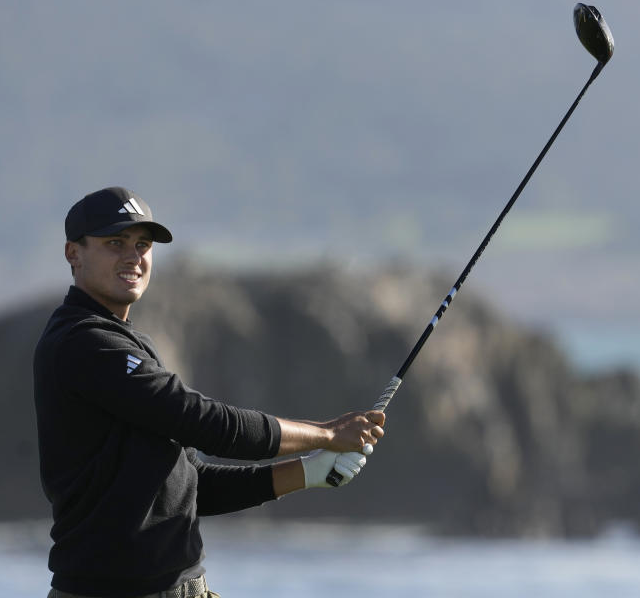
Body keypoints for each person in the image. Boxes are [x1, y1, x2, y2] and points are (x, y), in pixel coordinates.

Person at [34, 187, 385, 598]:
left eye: (142, 245)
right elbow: (204, 423)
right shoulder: (83, 342)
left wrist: (307, 472)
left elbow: (189, 485)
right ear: (73, 253)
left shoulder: (131, 344)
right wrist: (326, 434)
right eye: (115, 243)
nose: (133, 257)